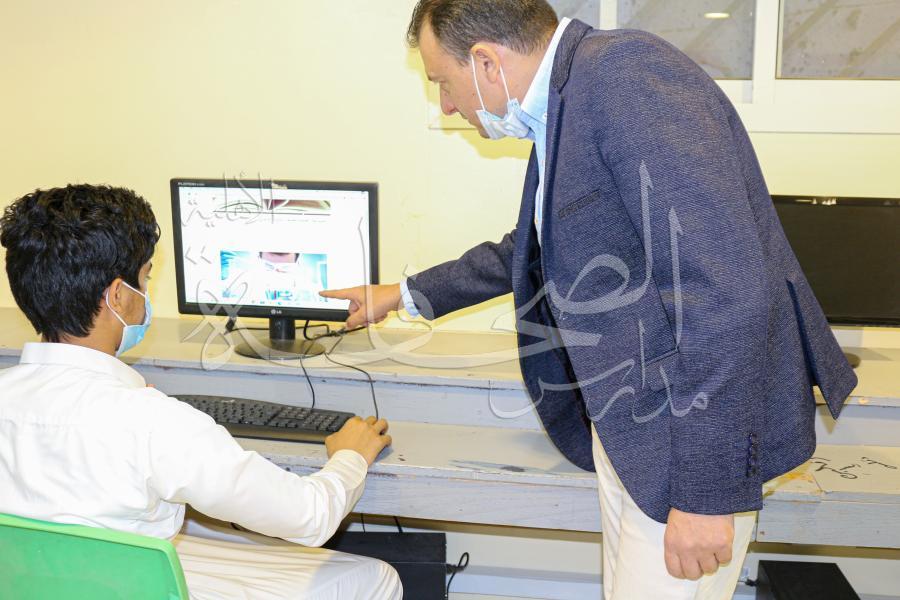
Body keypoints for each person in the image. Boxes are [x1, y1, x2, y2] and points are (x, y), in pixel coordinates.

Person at [320, 2, 857, 599]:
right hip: (633, 427)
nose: (446, 105)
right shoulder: (569, 100)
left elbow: (724, 292)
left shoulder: (625, 78)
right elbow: (534, 248)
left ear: (486, 62)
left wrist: (706, 496)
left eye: (442, 83)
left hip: (685, 440)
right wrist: (402, 294)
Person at [0, 184, 402, 600]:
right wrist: (350, 456)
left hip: (42, 584)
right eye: (145, 278)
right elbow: (311, 517)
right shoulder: (155, 422)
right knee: (374, 575)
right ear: (118, 296)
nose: (146, 294)